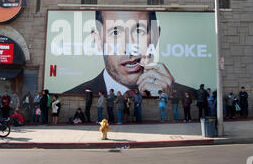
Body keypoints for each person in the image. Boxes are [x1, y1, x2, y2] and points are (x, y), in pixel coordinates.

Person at [63, 10, 196, 98]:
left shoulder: (188, 94)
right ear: (98, 40)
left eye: (139, 31)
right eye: (115, 33)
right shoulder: (74, 94)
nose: (130, 48)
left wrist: (166, 98)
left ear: (155, 36)